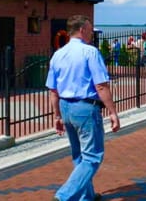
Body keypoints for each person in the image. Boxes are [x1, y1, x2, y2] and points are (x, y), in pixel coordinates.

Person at [46, 15, 121, 201]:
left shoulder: (57, 54)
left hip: (66, 107)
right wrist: (113, 112)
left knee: (79, 156)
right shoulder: (90, 52)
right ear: (81, 30)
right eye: (89, 29)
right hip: (86, 108)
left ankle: (86, 196)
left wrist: (57, 116)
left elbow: (53, 90)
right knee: (92, 157)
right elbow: (101, 86)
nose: (91, 32)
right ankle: (63, 196)